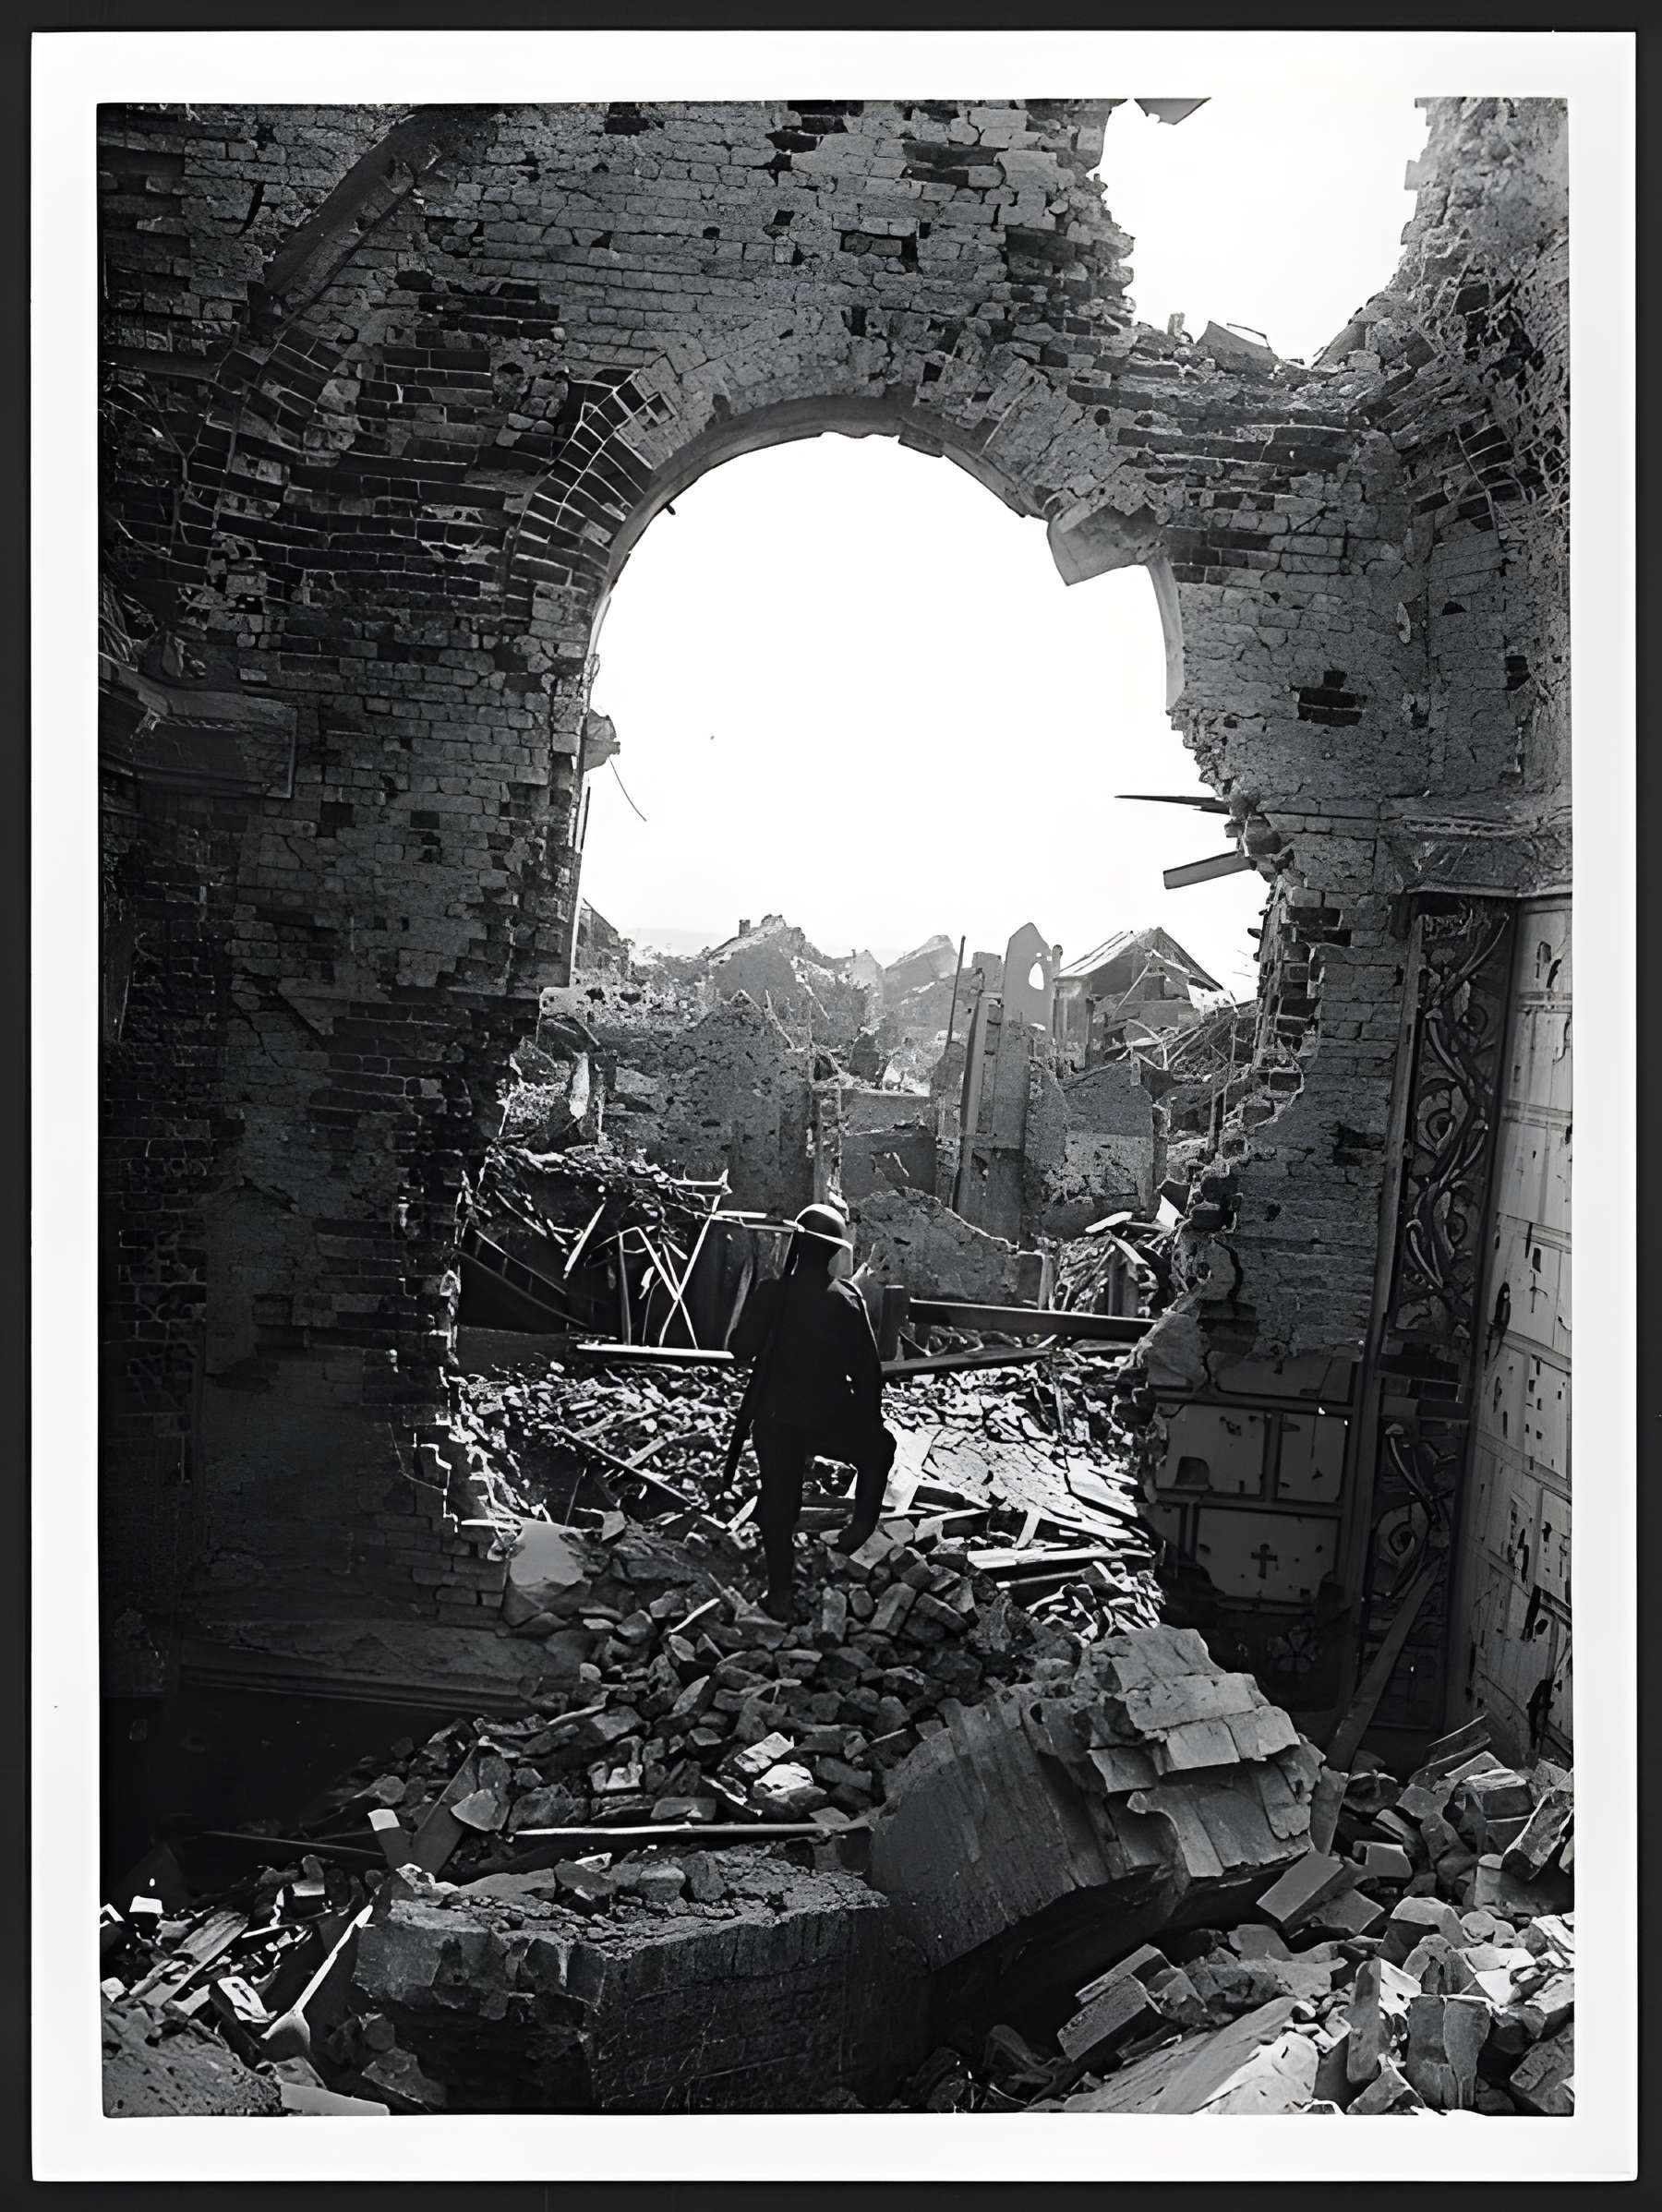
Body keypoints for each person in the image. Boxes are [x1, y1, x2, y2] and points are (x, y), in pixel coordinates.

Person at [727, 1202, 896, 1623]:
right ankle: (859, 1527)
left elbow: (738, 1348)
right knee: (880, 1449)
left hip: (777, 1419)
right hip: (828, 1418)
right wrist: (866, 1426)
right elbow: (869, 1375)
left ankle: (780, 1592)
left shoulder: (771, 1293)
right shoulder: (847, 1299)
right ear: (833, 1252)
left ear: (798, 1244)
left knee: (778, 1503)